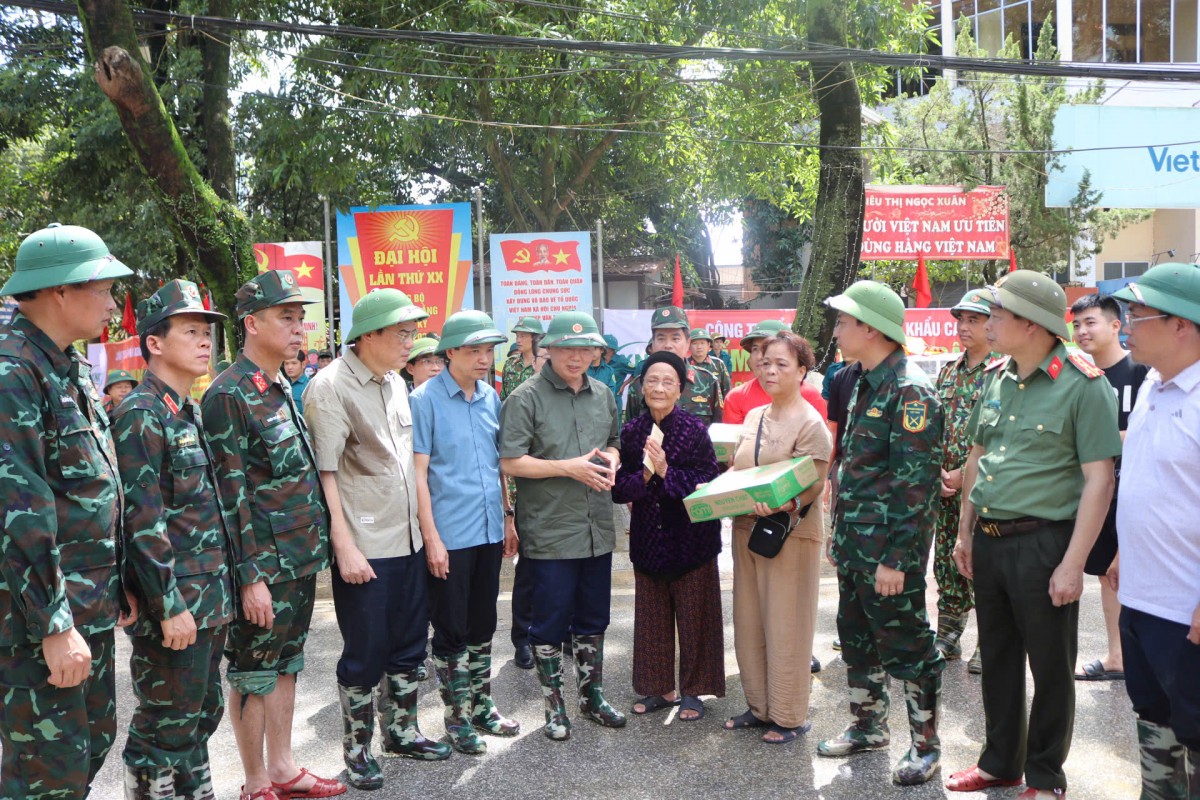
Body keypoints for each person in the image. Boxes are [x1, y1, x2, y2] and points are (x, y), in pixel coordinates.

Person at [949, 270, 1120, 799]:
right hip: (992, 541)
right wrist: (964, 533)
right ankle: (1001, 762)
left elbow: (1100, 480)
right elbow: (977, 457)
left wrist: (1073, 562)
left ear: (1031, 323)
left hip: (1046, 543)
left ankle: (1046, 777)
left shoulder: (1083, 384)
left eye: (998, 315)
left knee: (1050, 669)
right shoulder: (997, 377)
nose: (989, 323)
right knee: (996, 660)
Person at [0, 223, 136, 799]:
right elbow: (18, 511)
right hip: (39, 619)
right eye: (104, 288)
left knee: (89, 746)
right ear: (60, 290)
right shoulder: (13, 373)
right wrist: (53, 625)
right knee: (45, 773)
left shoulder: (70, 365)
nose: (112, 303)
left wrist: (119, 581)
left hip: (90, 601)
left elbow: (96, 488)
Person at [201, 270, 346, 800]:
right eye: (285, 317)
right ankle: (256, 779)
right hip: (263, 564)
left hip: (298, 557)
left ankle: (283, 769)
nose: (298, 327)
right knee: (251, 672)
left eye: (299, 317)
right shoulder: (228, 394)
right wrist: (248, 578)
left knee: (286, 664)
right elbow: (230, 496)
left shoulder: (279, 383)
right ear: (252, 323)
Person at [304, 289, 451, 789]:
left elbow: (407, 466)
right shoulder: (330, 387)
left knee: (410, 643)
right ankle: (357, 751)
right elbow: (326, 475)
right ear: (369, 336)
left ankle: (403, 732)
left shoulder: (394, 383)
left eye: (412, 332)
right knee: (366, 650)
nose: (410, 342)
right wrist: (343, 546)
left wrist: (428, 534)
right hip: (366, 547)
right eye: (402, 333)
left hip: (406, 537)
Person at [817, 280, 945, 787]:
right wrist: (839, 535)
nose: (837, 329)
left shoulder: (910, 390)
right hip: (856, 546)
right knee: (857, 640)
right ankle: (869, 726)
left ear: (871, 328)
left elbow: (917, 489)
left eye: (844, 321)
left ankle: (926, 745)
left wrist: (897, 559)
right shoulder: (861, 380)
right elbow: (854, 471)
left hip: (888, 555)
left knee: (909, 647)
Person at [112, 279, 232, 800]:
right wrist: (166, 606)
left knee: (202, 714)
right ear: (154, 343)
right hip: (177, 607)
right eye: (190, 330)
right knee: (164, 728)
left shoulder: (187, 410)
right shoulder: (142, 415)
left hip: (207, 599)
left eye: (206, 331)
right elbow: (142, 522)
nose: (204, 341)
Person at [499, 311, 625, 741]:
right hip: (551, 530)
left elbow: (615, 441)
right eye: (567, 348)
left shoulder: (604, 394)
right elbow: (510, 461)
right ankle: (554, 707)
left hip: (596, 527)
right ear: (548, 349)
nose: (576, 357)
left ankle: (592, 697)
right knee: (550, 622)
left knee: (594, 618)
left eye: (585, 348)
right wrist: (567, 468)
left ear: (596, 351)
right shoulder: (526, 397)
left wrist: (613, 457)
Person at [411, 310, 520, 756]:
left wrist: (509, 516)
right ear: (449, 352)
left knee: (483, 623)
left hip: (489, 529)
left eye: (488, 350)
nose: (483, 358)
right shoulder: (424, 400)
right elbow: (418, 475)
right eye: (474, 350)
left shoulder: (491, 397)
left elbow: (498, 466)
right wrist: (431, 538)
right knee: (451, 628)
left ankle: (482, 707)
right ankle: (456, 717)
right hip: (449, 535)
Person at [1109, 264, 1200, 799]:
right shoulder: (1151, 386)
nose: (1127, 327)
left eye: (1138, 317)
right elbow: (1148, 481)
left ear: (1182, 326)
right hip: (1142, 600)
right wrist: (1123, 548)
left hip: (1186, 610)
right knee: (1154, 720)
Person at [721, 331, 831, 744]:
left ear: (802, 371)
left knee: (786, 623)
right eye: (765, 362)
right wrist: (716, 490)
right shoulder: (754, 416)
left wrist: (783, 504)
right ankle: (759, 707)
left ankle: (788, 716)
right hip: (747, 529)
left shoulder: (810, 421)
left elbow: (814, 484)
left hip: (790, 533)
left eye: (782, 364)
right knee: (750, 621)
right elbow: (740, 468)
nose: (770, 370)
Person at [612, 351, 724, 722]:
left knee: (695, 618)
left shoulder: (694, 430)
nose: (659, 388)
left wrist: (665, 470)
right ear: (642, 387)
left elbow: (707, 481)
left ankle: (694, 691)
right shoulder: (631, 433)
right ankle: (660, 688)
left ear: (680, 390)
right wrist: (644, 476)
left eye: (667, 382)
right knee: (652, 620)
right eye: (652, 381)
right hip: (649, 541)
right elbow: (619, 489)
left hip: (692, 541)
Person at [1069, 293, 1148, 683]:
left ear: (1116, 325)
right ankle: (1117, 656)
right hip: (1099, 491)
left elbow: (1149, 433)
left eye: (1091, 322)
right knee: (1106, 574)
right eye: (1077, 324)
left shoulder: (1143, 372)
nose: (1083, 331)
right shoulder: (1082, 377)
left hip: (1140, 492)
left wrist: (1101, 440)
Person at [932, 291, 995, 675]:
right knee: (946, 563)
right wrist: (937, 473)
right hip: (945, 488)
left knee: (985, 565)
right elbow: (935, 426)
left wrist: (964, 473)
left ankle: (991, 641)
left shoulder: (1003, 371)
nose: (964, 327)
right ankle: (948, 636)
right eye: (962, 320)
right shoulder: (948, 371)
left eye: (974, 320)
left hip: (985, 488)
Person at [501, 315, 545, 670]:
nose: (520, 339)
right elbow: (507, 409)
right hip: (523, 469)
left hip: (556, 482)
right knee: (528, 567)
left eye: (525, 334)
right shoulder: (512, 365)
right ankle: (523, 638)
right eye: (518, 334)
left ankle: (559, 634)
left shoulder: (549, 366)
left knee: (563, 568)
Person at [625, 306, 722, 425]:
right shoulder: (638, 385)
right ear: (653, 344)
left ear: (687, 344)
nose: (668, 345)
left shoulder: (708, 381)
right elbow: (629, 437)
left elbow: (720, 433)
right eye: (661, 339)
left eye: (675, 339)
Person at [724, 320, 828, 425]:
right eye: (755, 349)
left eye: (768, 349)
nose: (760, 356)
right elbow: (734, 440)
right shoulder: (736, 398)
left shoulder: (810, 396)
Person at [501, 316, 543, 401]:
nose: (518, 340)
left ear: (535, 338)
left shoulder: (544, 364)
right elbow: (503, 396)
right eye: (517, 336)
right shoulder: (510, 363)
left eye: (523, 336)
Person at [688, 327, 731, 397]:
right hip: (690, 407)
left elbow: (727, 390)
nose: (699, 347)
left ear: (708, 345)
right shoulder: (684, 365)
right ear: (689, 346)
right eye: (695, 343)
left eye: (702, 343)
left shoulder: (718, 364)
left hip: (713, 407)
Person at [282, 349, 309, 415]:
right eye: (286, 363)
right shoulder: (281, 384)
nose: (289, 367)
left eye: (294, 363)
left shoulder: (309, 386)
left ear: (303, 364)